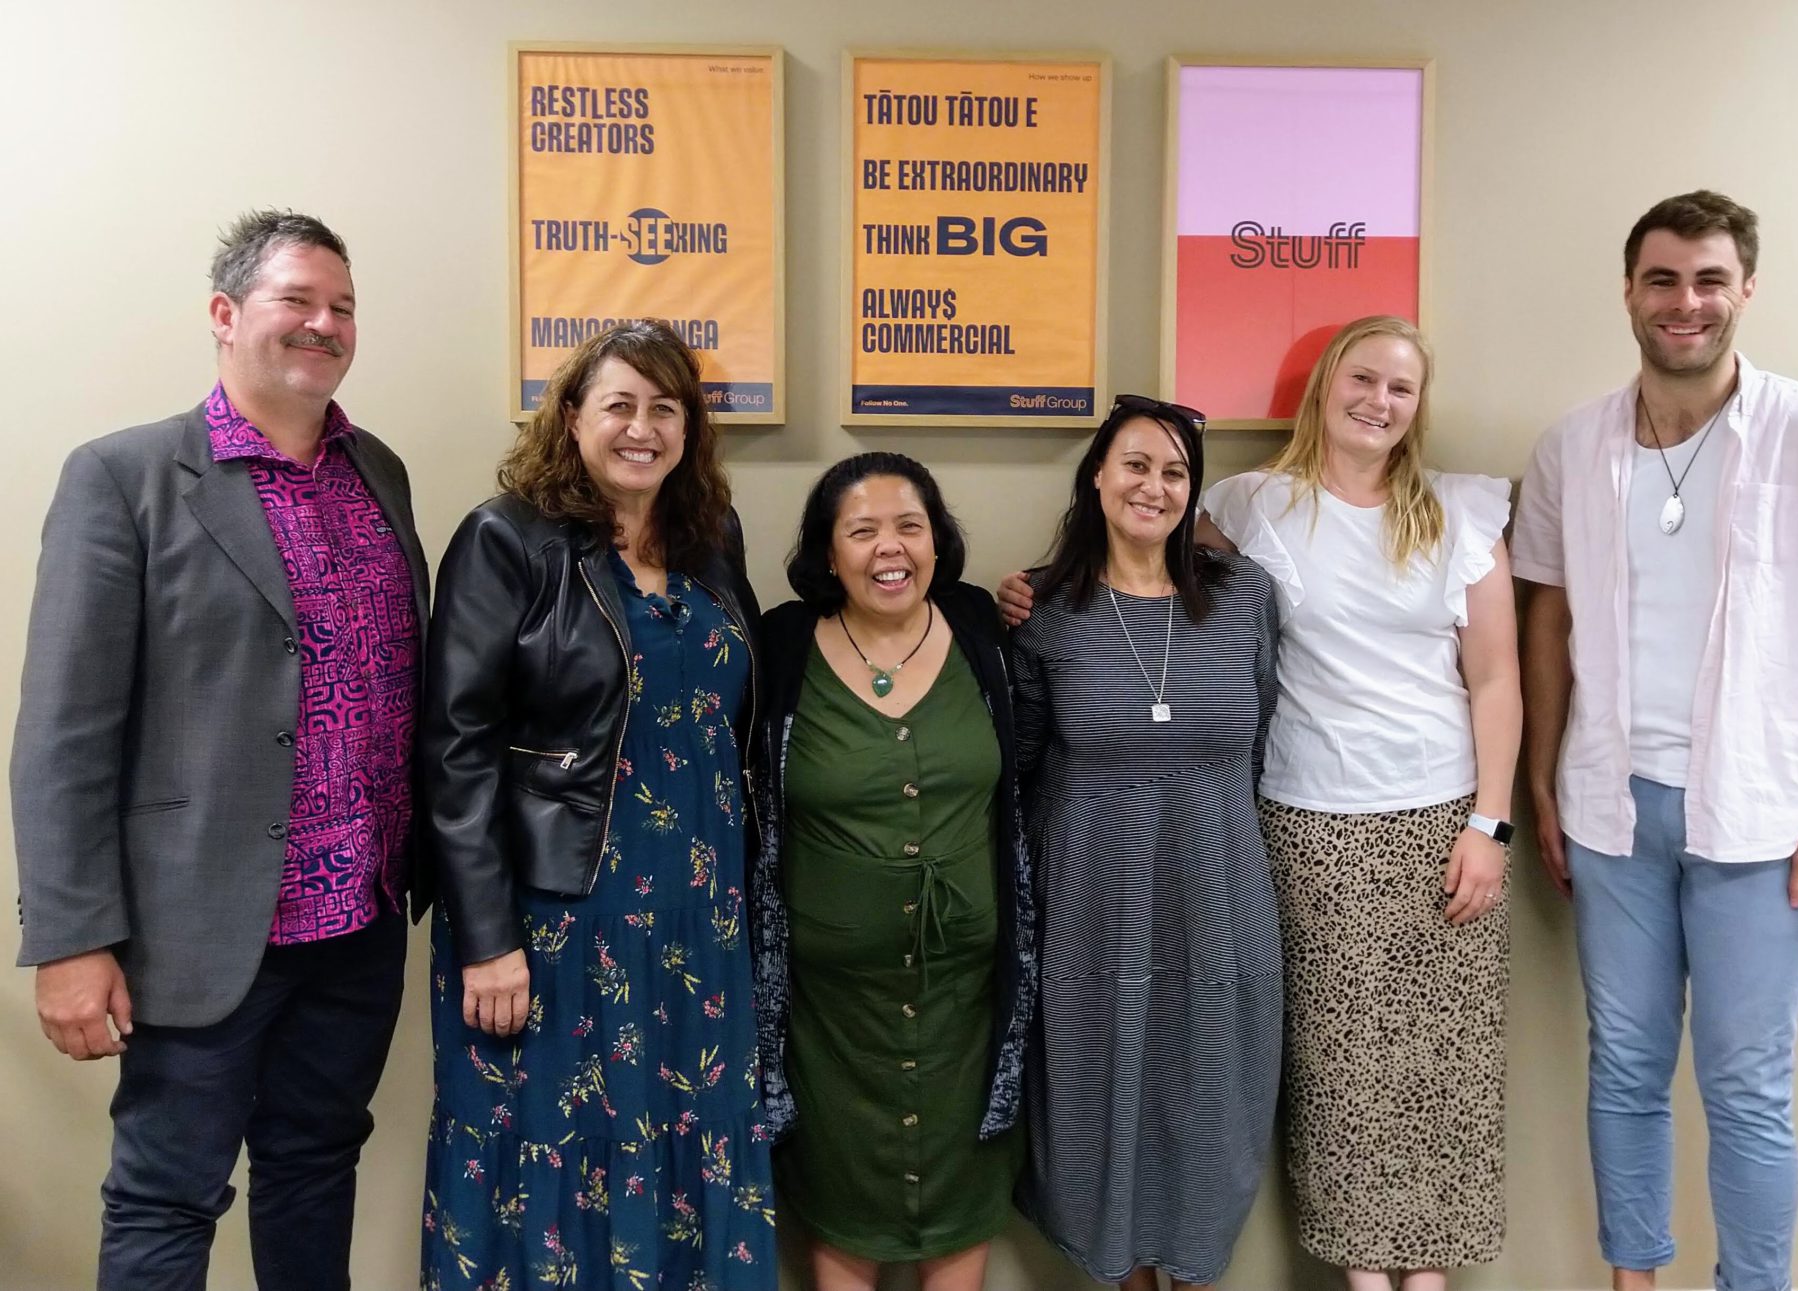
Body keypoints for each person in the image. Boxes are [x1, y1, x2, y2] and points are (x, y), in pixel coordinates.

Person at [11, 210, 427, 1291]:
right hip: (197, 928)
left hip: (359, 921)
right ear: (225, 313)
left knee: (314, 1171)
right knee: (166, 1196)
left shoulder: (377, 473)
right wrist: (71, 937)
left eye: (343, 307)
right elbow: (63, 730)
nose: (324, 323)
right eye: (299, 299)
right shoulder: (126, 476)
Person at [1513, 191, 1798, 1291]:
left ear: (1746, 290)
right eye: (1662, 279)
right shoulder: (1572, 446)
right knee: (1624, 1070)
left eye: (1708, 280)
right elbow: (1545, 619)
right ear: (1629, 292)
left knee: (1746, 1088)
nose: (1684, 302)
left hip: (1763, 816)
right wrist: (1543, 780)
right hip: (1610, 809)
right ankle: (1633, 1282)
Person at [417, 321, 775, 1290]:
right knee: (553, 1150)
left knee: (690, 1137)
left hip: (698, 920)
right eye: (620, 404)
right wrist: (486, 936)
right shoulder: (507, 539)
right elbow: (455, 751)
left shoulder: (712, 538)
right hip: (559, 920)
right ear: (572, 416)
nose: (642, 428)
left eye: (665, 409)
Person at [1199, 316, 1520, 1290]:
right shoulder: (1250, 506)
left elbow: (1497, 680)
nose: (1379, 401)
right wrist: (1035, 590)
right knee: (1341, 1074)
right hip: (1310, 825)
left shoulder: (1459, 514)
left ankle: (1429, 1276)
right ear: (1326, 385)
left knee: (1445, 1073)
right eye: (1363, 378)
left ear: (1418, 407)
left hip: (1445, 826)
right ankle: (1366, 1277)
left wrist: (1490, 824)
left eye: (1401, 388)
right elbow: (1149, 587)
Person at [1007, 395, 1283, 1290]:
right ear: (1097, 475)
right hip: (1091, 902)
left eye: (1175, 472)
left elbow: (1262, 735)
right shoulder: (1043, 607)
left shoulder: (1242, 596)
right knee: (1101, 1113)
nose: (1154, 486)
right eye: (1136, 464)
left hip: (1218, 894)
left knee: (1212, 1112)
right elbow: (1021, 762)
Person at [749, 452, 1035, 1291]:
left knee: (961, 1206)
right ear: (827, 551)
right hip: (828, 1020)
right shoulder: (782, 645)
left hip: (967, 1008)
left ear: (937, 541)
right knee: (843, 1210)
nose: (890, 547)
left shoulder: (980, 626)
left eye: (910, 525)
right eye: (862, 530)